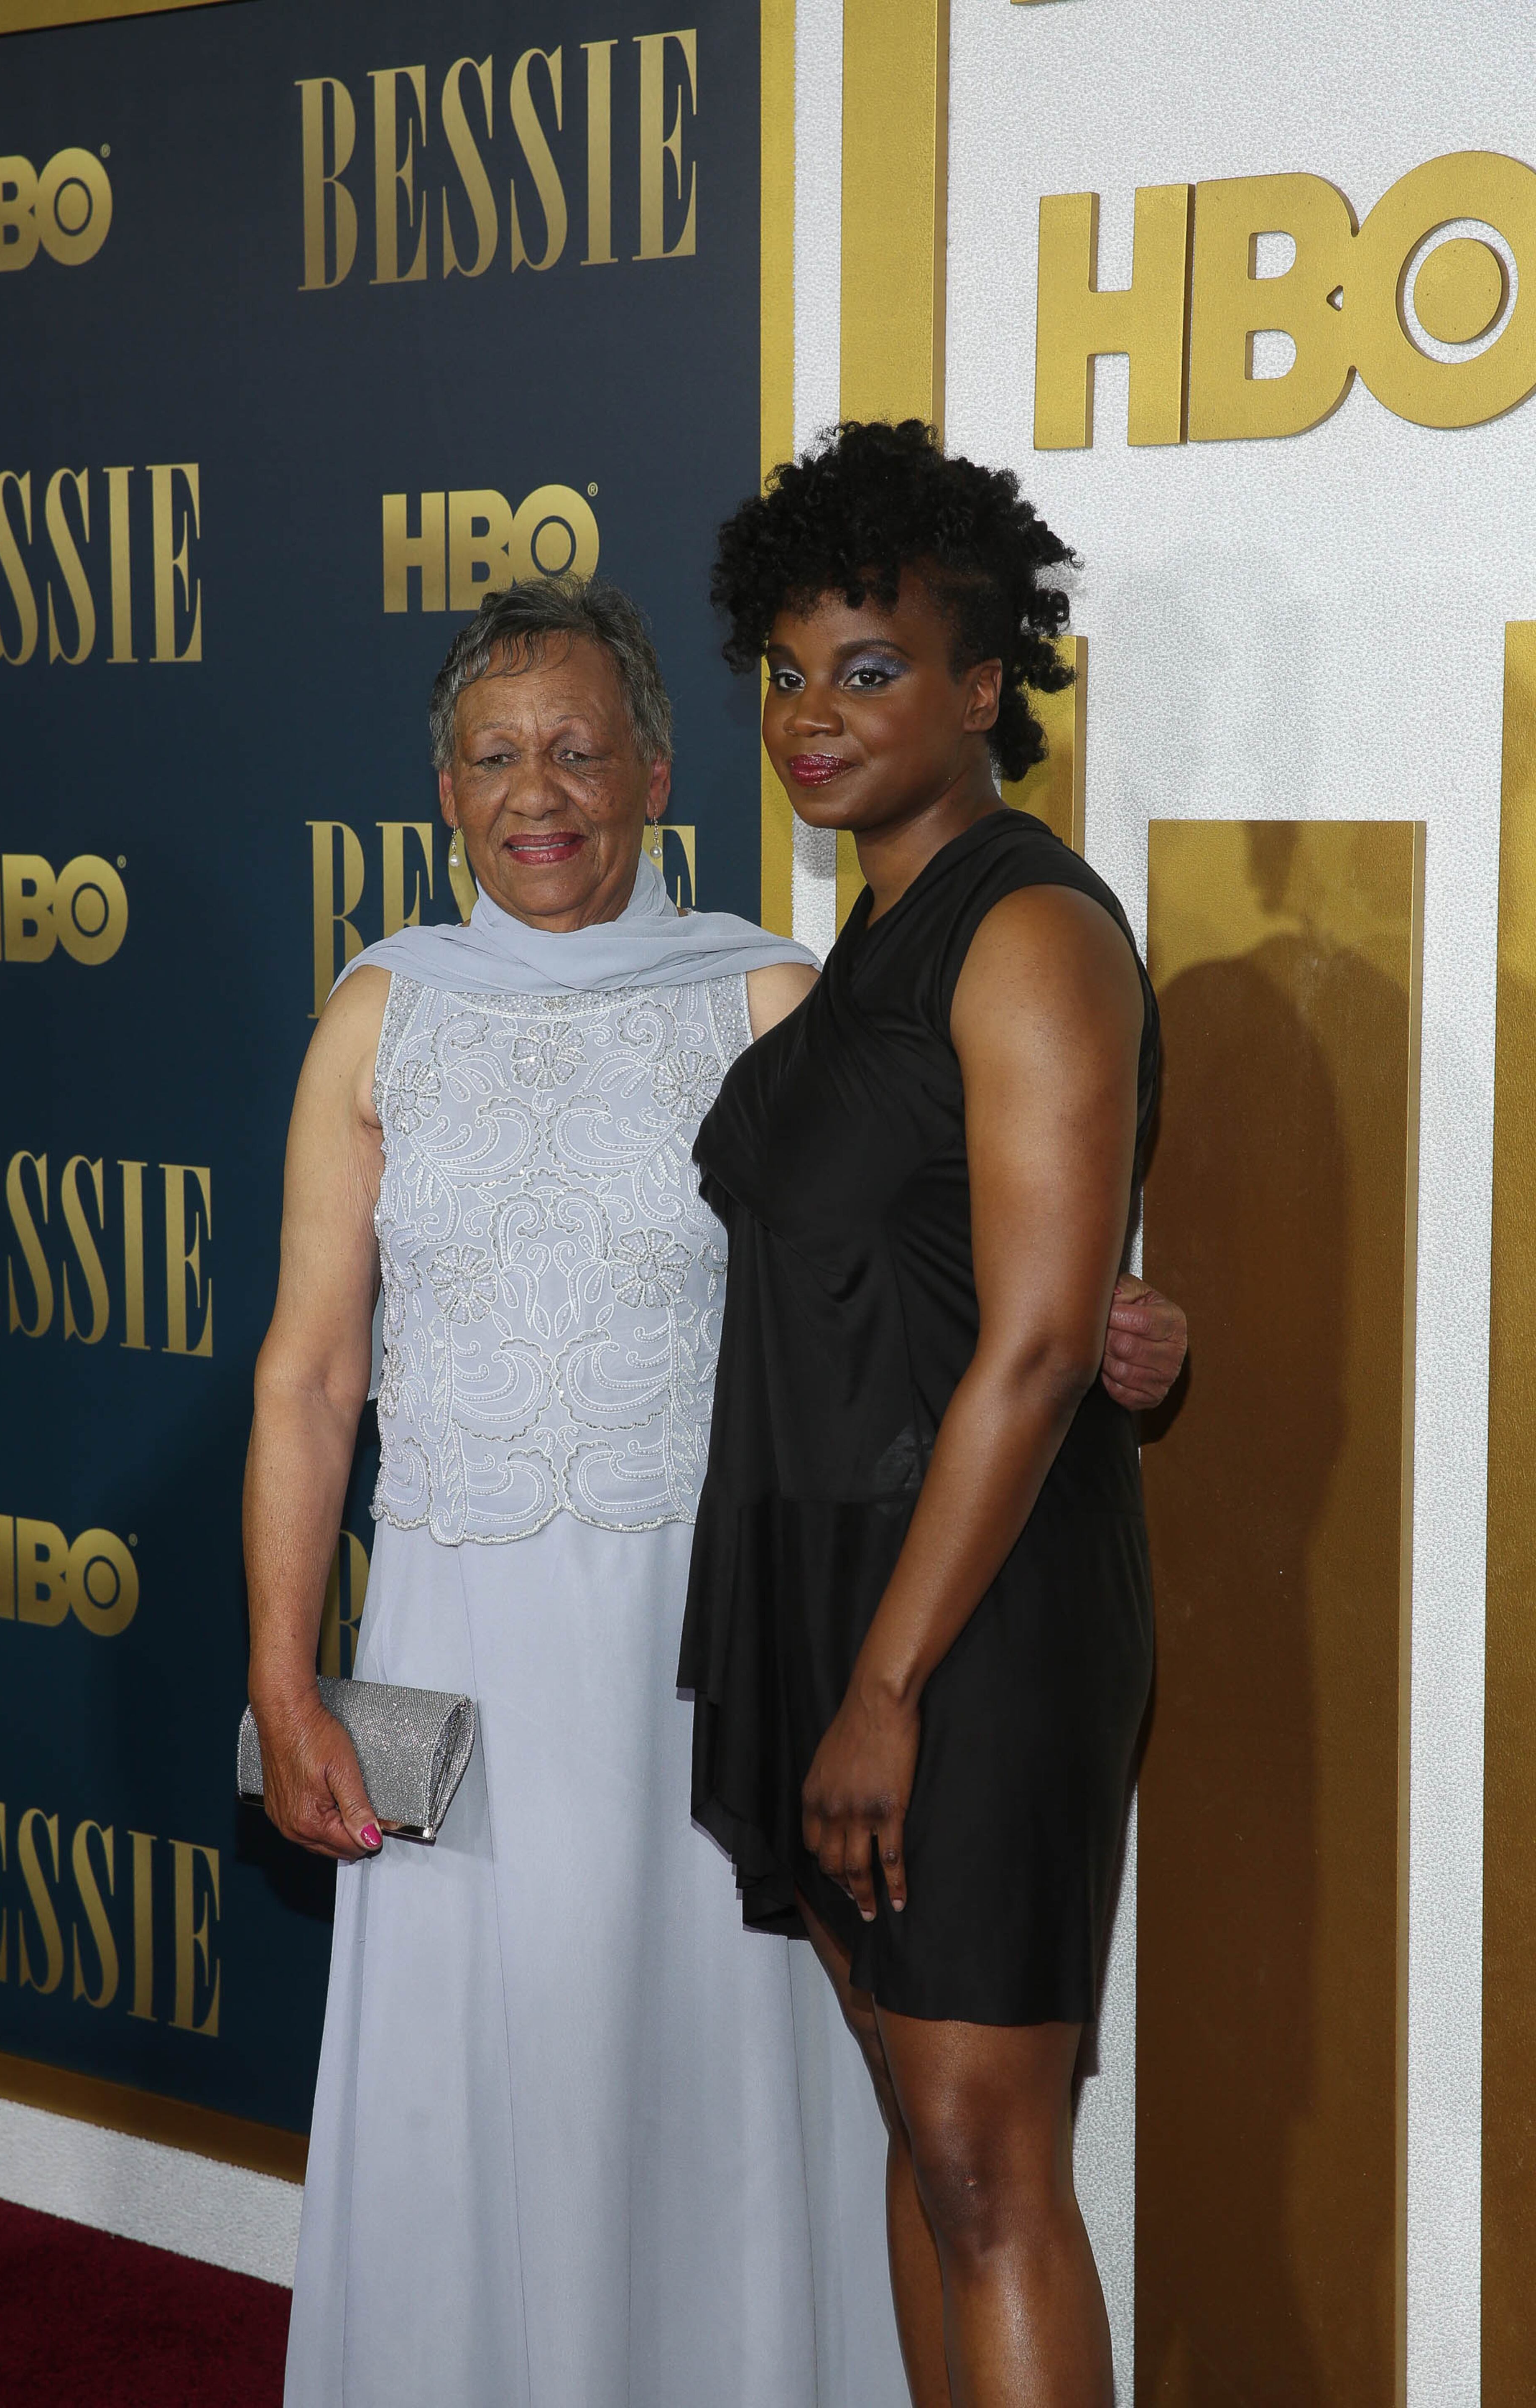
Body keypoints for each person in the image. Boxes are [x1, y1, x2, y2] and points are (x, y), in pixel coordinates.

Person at [244, 572, 1184, 2408]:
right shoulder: (378, 1016)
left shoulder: (766, 991)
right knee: (468, 2072)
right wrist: (287, 1681)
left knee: (712, 2073)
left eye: (585, 751)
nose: (544, 793)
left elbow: (940, 1246)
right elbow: (309, 1374)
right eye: (500, 757)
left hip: (713, 1637)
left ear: (661, 776)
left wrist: (1114, 1310)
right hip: (447, 1639)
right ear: (445, 796)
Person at [679, 420, 1162, 2408]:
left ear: (986, 688)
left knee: (990, 2167)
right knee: (917, 2124)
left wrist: (886, 1684)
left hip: (968, 1614)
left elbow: (1042, 1349)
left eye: (870, 670)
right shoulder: (870, 938)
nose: (813, 714)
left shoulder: (1029, 930)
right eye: (786, 672)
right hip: (833, 1576)